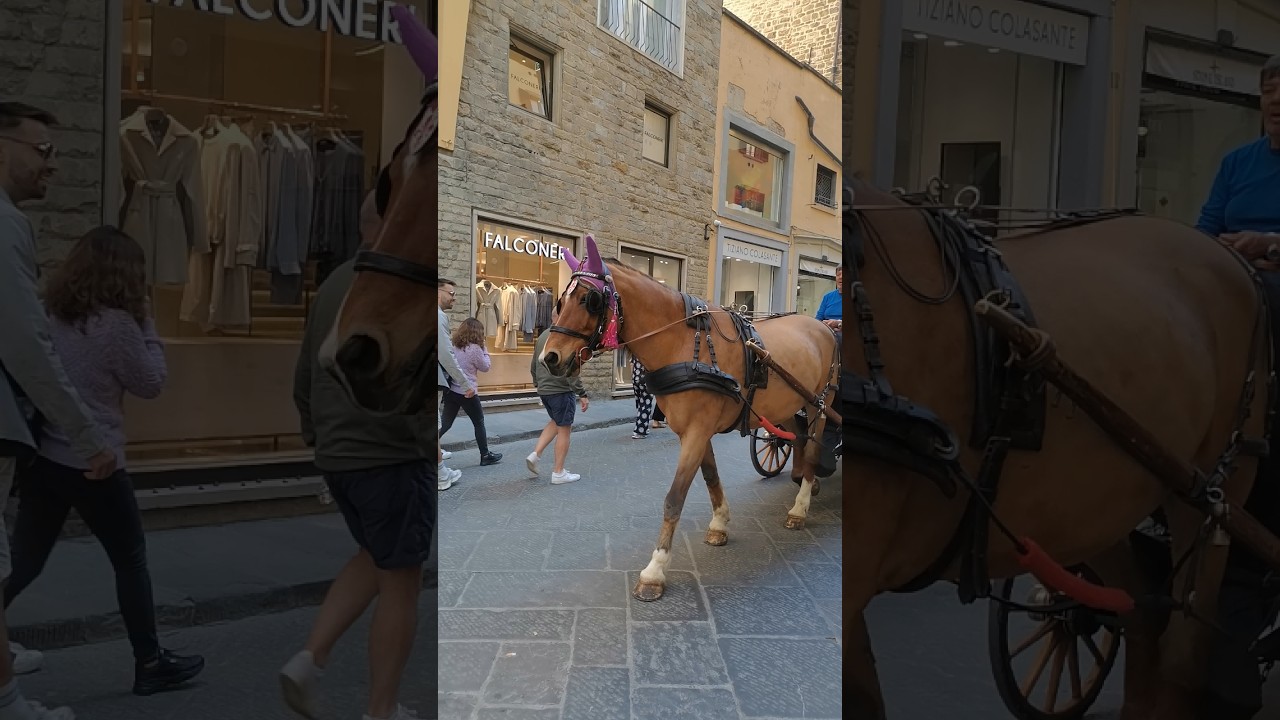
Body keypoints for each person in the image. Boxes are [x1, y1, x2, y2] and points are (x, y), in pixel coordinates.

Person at [5, 226, 205, 696]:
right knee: (130, 558)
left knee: (25, 559)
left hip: (47, 456)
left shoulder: (53, 314)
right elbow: (151, 382)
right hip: (96, 458)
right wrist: (150, 325)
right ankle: (150, 661)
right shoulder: (116, 325)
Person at [282, 191, 431, 720]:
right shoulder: (406, 284)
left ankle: (309, 658)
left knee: (374, 555)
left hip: (339, 456)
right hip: (390, 454)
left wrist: (316, 438)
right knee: (402, 581)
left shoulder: (335, 282)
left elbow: (304, 372)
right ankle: (381, 709)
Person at [0, 100, 120, 720]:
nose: (52, 164)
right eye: (41, 150)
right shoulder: (5, 223)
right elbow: (25, 340)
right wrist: (86, 433)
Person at [1192, 54, 1280, 720]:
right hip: (1233, 282)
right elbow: (1203, 231)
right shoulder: (1237, 163)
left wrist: (1269, 247)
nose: (1273, 106)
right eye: (1268, 97)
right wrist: (1215, 251)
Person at [526, 320, 589, 485]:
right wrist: (582, 393)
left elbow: (533, 364)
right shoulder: (566, 337)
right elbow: (571, 370)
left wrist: (537, 383)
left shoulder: (543, 336)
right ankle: (558, 472)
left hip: (545, 390)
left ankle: (535, 454)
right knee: (564, 430)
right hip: (560, 390)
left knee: (556, 421)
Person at [439, 318, 501, 466]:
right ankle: (485, 455)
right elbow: (485, 367)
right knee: (479, 422)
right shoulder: (475, 348)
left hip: (452, 390)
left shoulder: (455, 345)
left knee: (446, 423)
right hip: (468, 391)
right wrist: (485, 349)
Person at [436, 279, 475, 490]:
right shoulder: (438, 315)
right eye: (451, 293)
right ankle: (441, 475)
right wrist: (464, 382)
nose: (454, 297)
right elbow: (446, 354)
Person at [629, 355, 663, 439]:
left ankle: (642, 426)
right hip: (645, 379)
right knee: (645, 405)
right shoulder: (647, 353)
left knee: (639, 403)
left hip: (635, 378)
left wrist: (633, 378)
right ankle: (640, 431)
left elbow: (631, 364)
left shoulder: (636, 351)